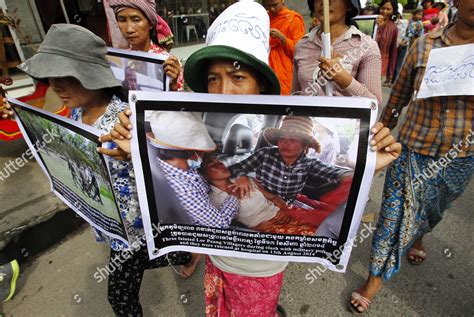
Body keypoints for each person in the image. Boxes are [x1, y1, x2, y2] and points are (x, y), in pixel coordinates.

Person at [106, 1, 401, 315]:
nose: (224, 91)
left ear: (261, 84)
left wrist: (368, 163)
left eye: (237, 78)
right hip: (217, 257)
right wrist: (131, 147)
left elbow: (336, 178)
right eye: (213, 79)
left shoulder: (290, 150)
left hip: (261, 265)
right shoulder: (202, 125)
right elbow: (179, 167)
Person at [0, 24, 192, 317]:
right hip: (108, 221)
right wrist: (21, 115)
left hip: (135, 230)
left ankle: (181, 249)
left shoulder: (125, 121)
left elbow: (166, 170)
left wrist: (136, 157)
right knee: (148, 258)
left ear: (94, 76)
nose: (56, 86)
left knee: (119, 297)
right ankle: (181, 252)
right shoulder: (76, 110)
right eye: (52, 76)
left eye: (68, 77)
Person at [349, 0, 474, 313]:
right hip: (412, 148)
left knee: (434, 211)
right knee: (392, 219)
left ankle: (419, 236)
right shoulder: (424, 45)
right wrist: (376, 139)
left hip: (461, 156)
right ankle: (374, 279)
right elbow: (398, 100)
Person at [201, 155, 328, 236]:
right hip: (265, 227)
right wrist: (256, 228)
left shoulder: (244, 180)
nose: (220, 164)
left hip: (283, 212)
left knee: (324, 223)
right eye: (212, 164)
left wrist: (285, 210)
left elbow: (273, 197)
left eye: (219, 161)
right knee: (316, 236)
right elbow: (228, 225)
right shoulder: (213, 200)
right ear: (205, 175)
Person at [293, 0, 383, 106]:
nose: (324, 2)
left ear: (349, 5)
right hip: (306, 122)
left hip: (346, 122)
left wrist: (344, 80)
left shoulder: (366, 46)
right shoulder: (302, 45)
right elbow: (295, 95)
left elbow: (374, 105)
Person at [109, 0, 184, 91]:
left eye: (136, 20)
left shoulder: (168, 63)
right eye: (122, 20)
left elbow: (177, 103)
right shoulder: (120, 61)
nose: (129, 29)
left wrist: (173, 85)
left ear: (150, 24)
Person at [265, 0, 306, 95]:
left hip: (284, 69)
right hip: (266, 65)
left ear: (283, 1)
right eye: (269, 5)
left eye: (275, 5)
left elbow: (299, 51)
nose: (272, 9)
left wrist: (282, 38)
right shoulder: (264, 17)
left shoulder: (293, 19)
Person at [394, 9, 424, 81]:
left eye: (421, 15)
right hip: (416, 45)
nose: (419, 16)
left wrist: (401, 43)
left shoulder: (415, 24)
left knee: (400, 63)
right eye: (418, 14)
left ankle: (396, 80)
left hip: (410, 45)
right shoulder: (416, 23)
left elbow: (408, 36)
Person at [375, 0, 399, 86]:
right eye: (383, 8)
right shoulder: (372, 22)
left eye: (388, 9)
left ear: (393, 11)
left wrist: (390, 72)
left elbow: (393, 51)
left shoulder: (393, 28)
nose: (384, 11)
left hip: (382, 65)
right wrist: (377, 27)